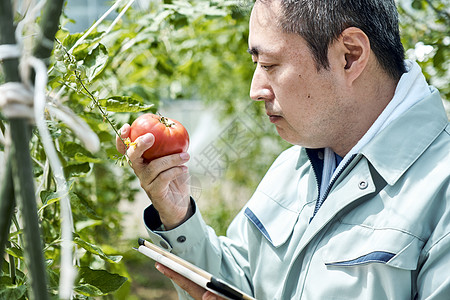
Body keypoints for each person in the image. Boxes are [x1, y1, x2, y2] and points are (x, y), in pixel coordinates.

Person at [116, 0, 450, 299]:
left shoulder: (440, 188)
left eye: (271, 65)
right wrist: (176, 215)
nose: (255, 90)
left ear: (350, 56)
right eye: (256, 62)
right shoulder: (294, 166)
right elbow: (238, 282)